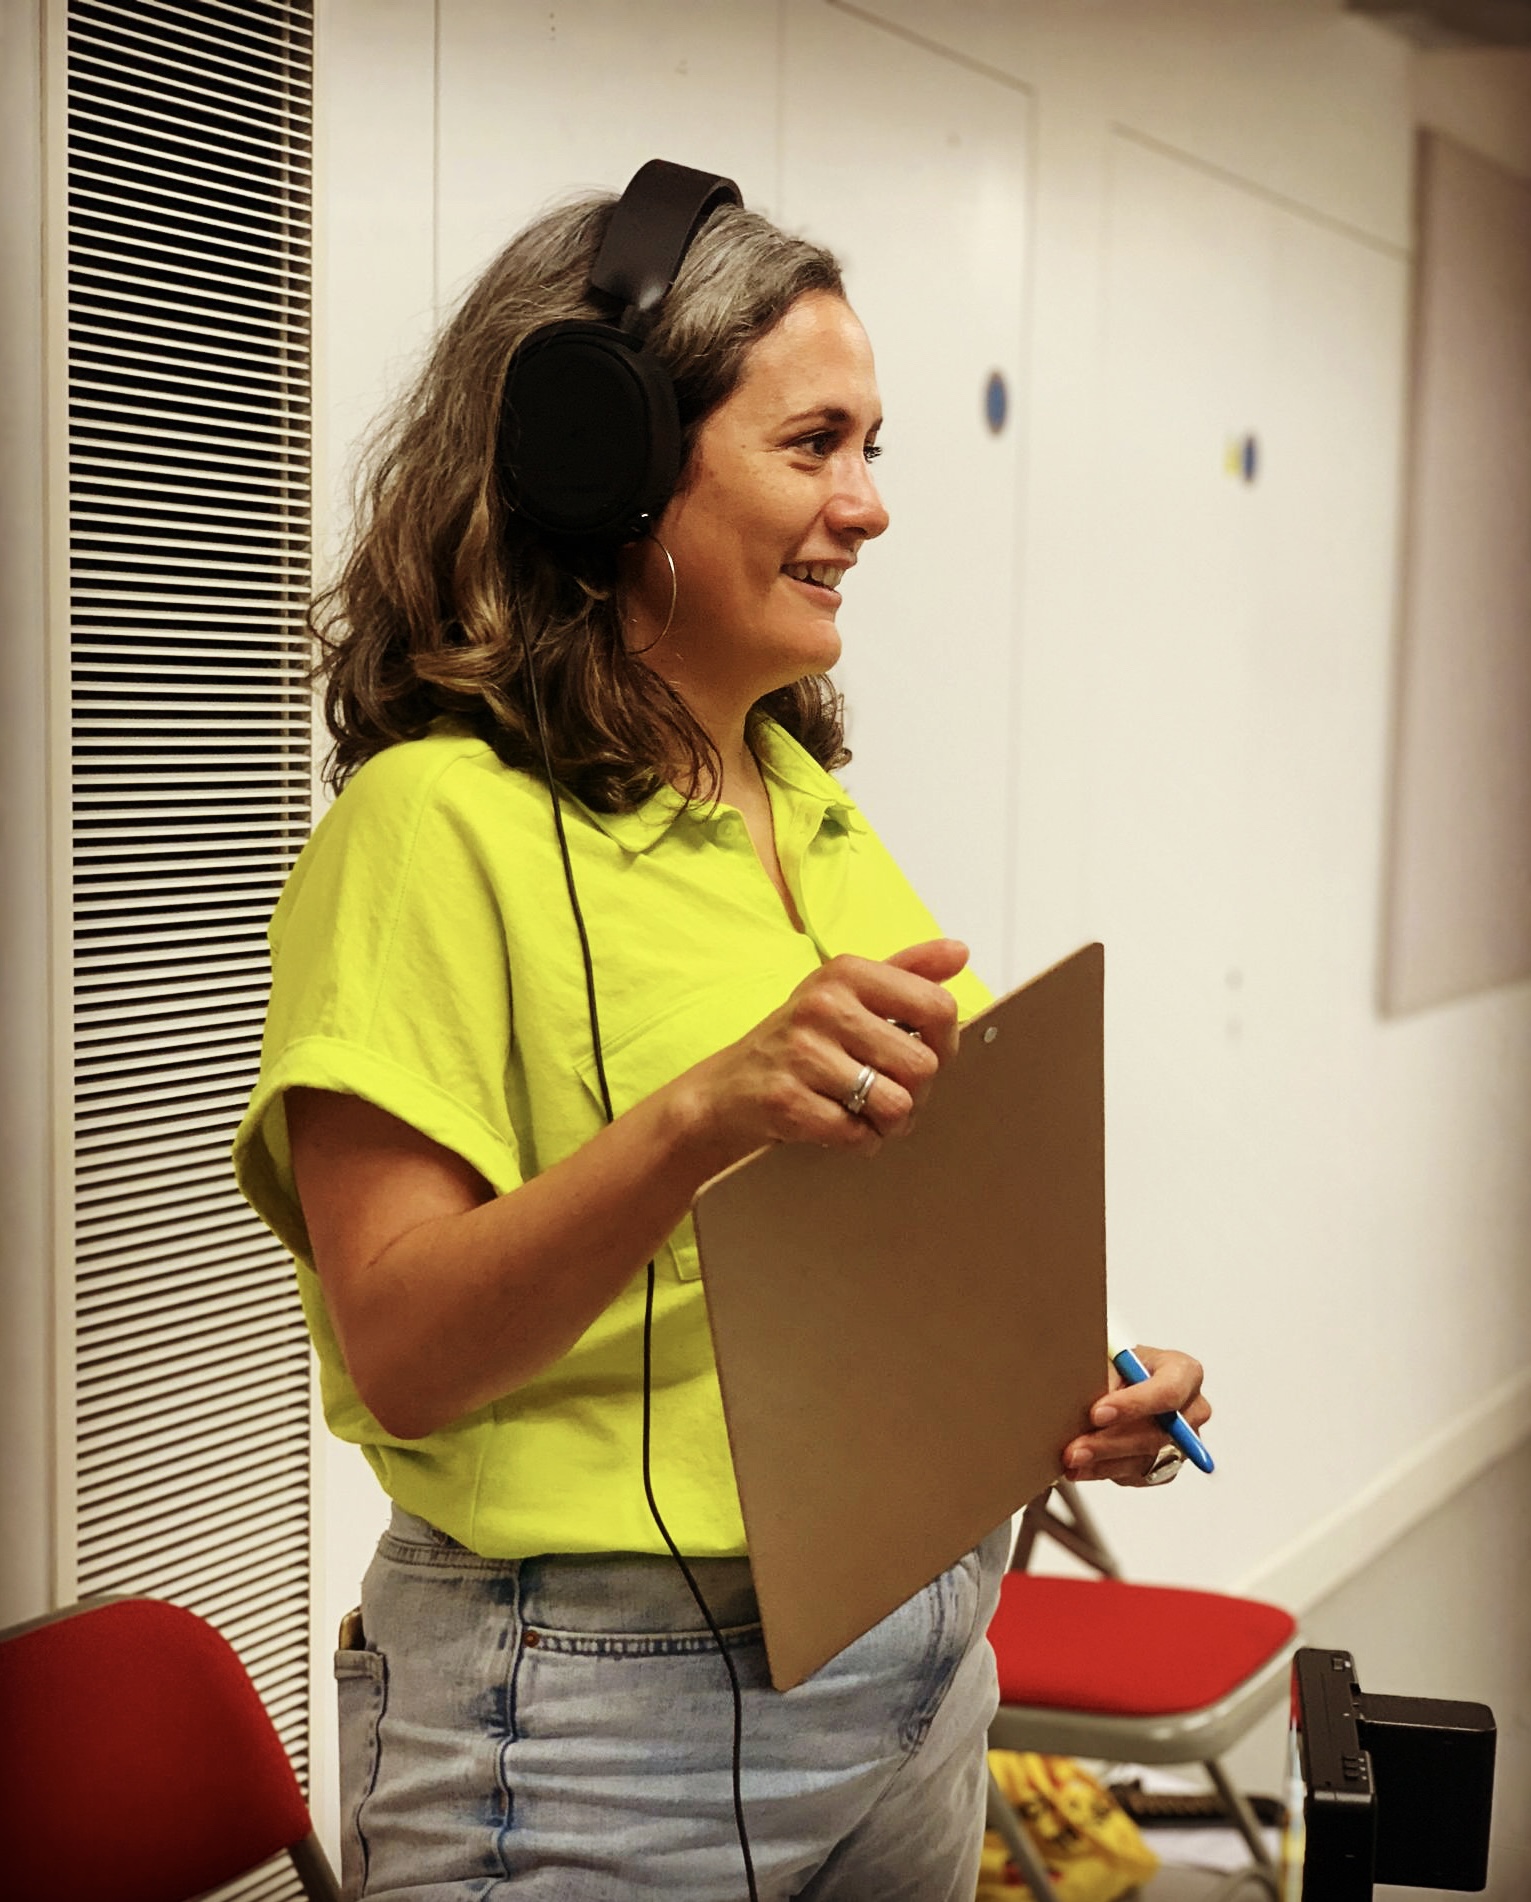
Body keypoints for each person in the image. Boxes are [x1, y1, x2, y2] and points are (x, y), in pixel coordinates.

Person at [234, 178, 1211, 1902]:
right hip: (603, 1728)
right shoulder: (426, 830)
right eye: (815, 444)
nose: (871, 505)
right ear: (602, 469)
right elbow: (403, 1345)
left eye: (875, 445)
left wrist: (1090, 1364)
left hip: (910, 1667)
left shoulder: (805, 802)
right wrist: (703, 1113)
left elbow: (919, 1209)